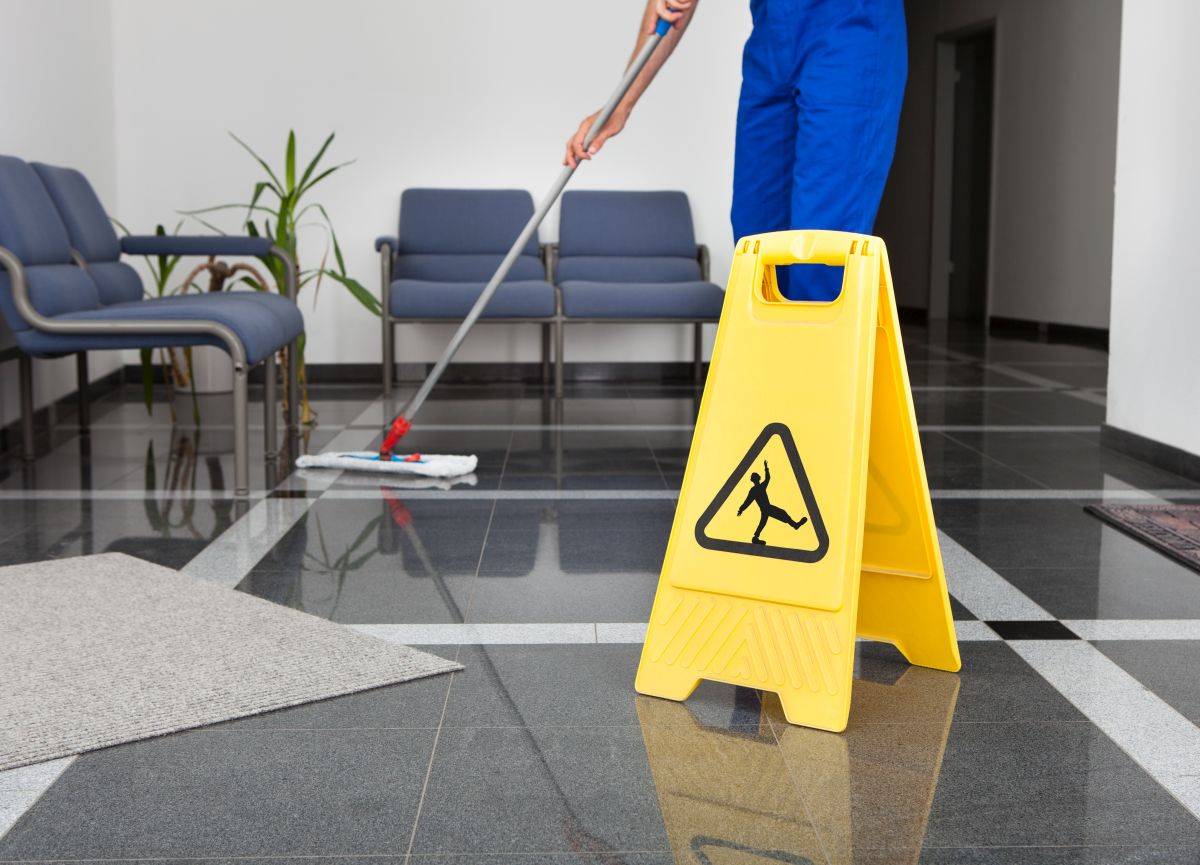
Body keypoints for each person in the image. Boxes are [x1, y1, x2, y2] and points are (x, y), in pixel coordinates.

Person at [564, 0, 907, 301]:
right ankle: (770, 371)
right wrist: (621, 105)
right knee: (757, 241)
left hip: (850, 29)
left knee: (822, 249)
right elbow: (669, 8)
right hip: (773, 39)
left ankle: (818, 372)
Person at [736, 460, 807, 545]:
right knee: (781, 513)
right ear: (755, 479)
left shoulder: (758, 487)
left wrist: (766, 468)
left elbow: (767, 479)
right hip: (767, 508)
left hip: (765, 509)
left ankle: (755, 537)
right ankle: (795, 525)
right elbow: (747, 502)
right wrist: (741, 509)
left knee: (763, 523)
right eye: (757, 476)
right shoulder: (755, 489)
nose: (758, 477)